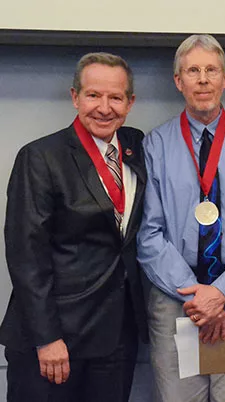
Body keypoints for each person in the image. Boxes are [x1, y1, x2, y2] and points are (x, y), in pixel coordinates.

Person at [136, 34, 225, 402]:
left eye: (211, 70)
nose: (202, 79)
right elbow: (148, 233)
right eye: (193, 70)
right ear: (178, 81)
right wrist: (197, 296)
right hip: (177, 299)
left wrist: (220, 292)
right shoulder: (156, 145)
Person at [0, 52, 148, 402]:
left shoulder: (136, 146)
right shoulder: (40, 157)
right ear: (75, 97)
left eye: (115, 97)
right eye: (94, 95)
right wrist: (46, 338)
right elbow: (26, 254)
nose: (104, 107)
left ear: (130, 103)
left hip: (114, 336)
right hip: (55, 339)